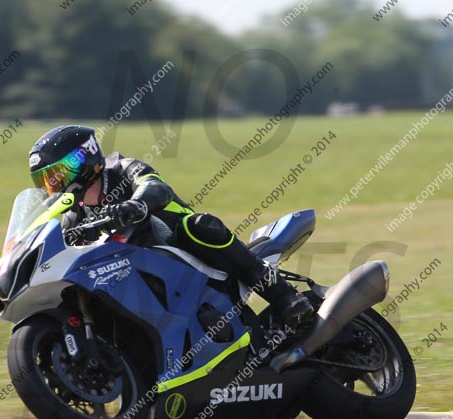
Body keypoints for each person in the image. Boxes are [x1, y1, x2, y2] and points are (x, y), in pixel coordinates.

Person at [28, 125, 313, 327]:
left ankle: (284, 297)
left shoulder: (121, 169)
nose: (51, 186)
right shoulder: (71, 214)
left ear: (84, 158)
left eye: (55, 175)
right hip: (129, 275)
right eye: (45, 181)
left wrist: (136, 205)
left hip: (172, 243)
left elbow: (154, 186)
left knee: (201, 226)